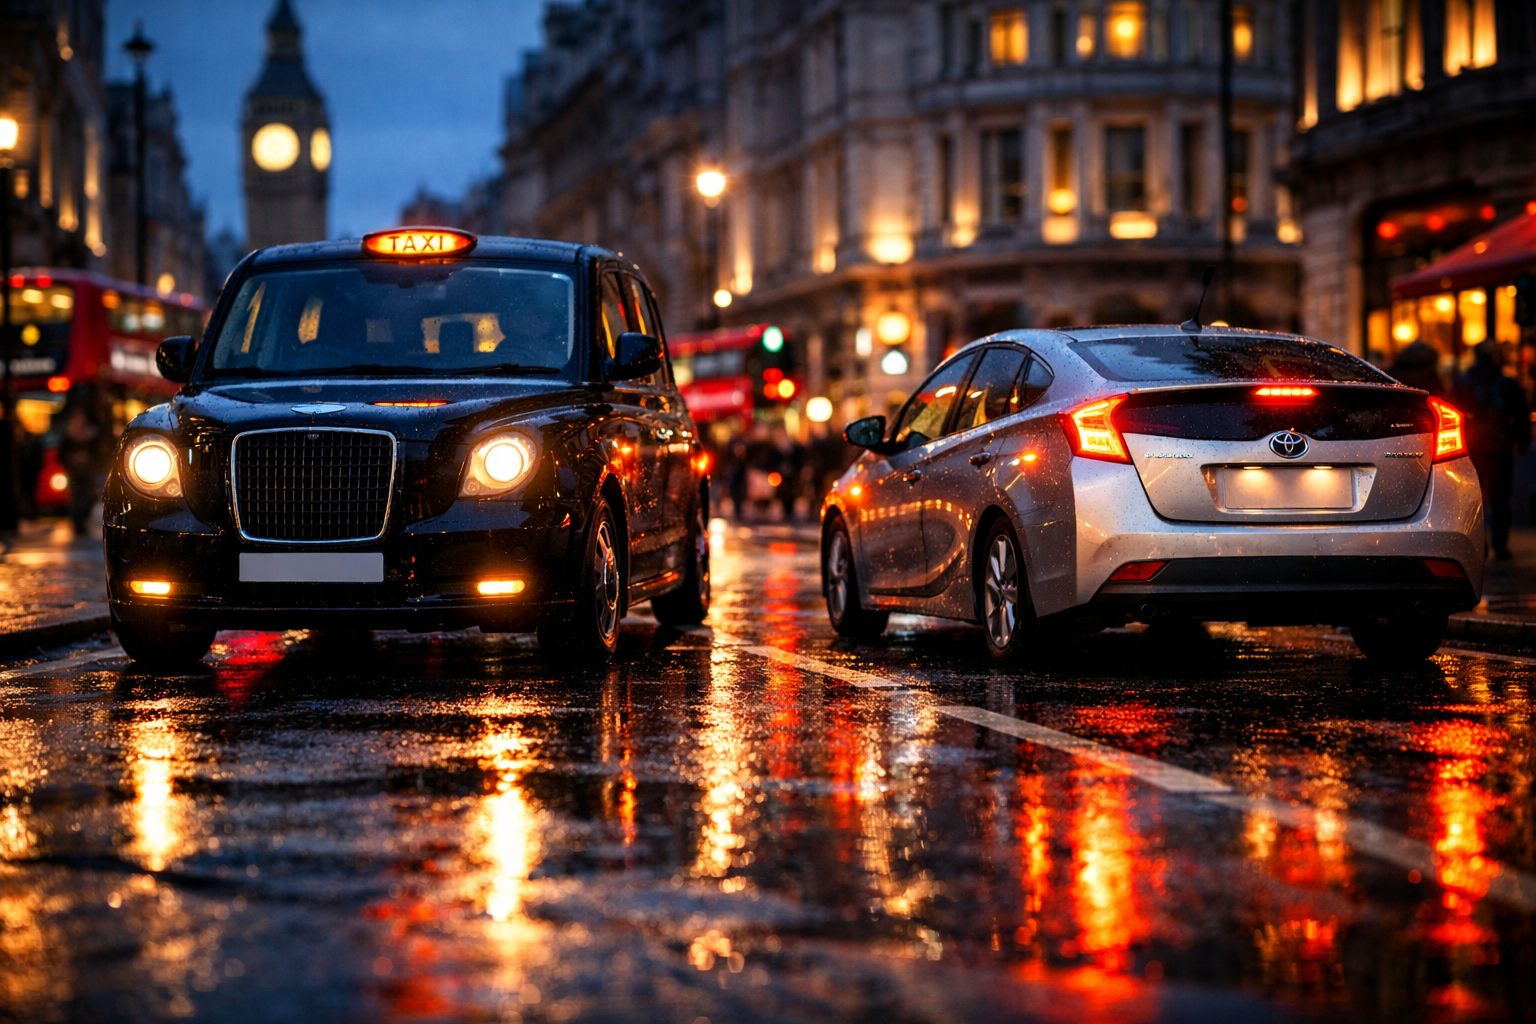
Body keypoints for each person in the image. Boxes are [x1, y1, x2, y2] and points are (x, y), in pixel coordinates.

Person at [1452, 343, 1531, 560]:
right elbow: (1520, 413)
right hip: (1500, 446)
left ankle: (1478, 544)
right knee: (1500, 498)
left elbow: (1452, 409)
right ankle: (1500, 545)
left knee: (1471, 498)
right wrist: (1521, 440)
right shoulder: (1507, 382)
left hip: (1471, 446)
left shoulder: (1463, 381)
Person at [56, 405, 103, 538]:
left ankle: (83, 521)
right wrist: (71, 462)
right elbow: (62, 453)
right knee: (76, 497)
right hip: (74, 471)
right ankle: (77, 524)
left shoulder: (91, 434)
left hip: (88, 471)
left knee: (89, 497)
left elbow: (98, 452)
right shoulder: (69, 434)